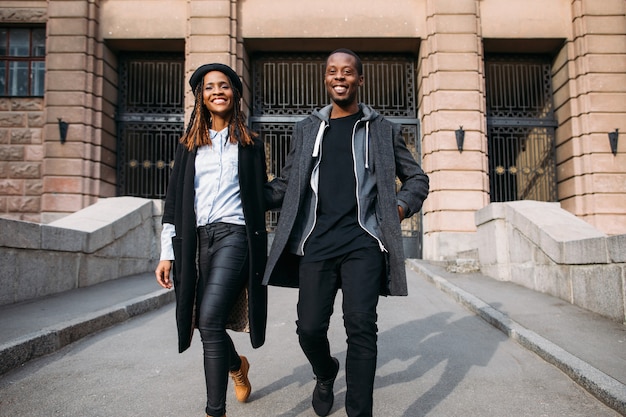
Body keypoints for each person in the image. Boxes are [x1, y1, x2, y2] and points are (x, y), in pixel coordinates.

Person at [263, 49, 429, 417]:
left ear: (360, 80)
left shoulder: (383, 130)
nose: (340, 77)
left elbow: (416, 178)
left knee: (361, 329)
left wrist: (399, 208)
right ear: (326, 79)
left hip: (363, 244)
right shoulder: (308, 129)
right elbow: (287, 184)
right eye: (333, 71)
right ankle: (325, 373)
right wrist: (249, 193)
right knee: (308, 328)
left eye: (348, 71)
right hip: (316, 244)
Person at [155, 63, 268, 417]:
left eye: (224, 86)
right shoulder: (188, 146)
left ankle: (213, 411)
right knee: (208, 322)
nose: (217, 91)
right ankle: (237, 367)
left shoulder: (250, 144)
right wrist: (166, 252)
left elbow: (261, 194)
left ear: (234, 93)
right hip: (198, 240)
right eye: (209, 87)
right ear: (201, 97)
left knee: (209, 316)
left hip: (236, 235)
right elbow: (174, 202)